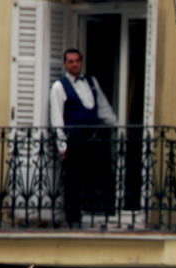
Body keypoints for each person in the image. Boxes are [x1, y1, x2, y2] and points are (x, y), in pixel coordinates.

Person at [50, 48, 117, 227]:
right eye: (70, 61)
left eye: (77, 60)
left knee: (95, 174)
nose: (74, 64)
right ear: (65, 64)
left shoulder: (91, 81)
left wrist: (117, 125)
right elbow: (57, 117)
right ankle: (74, 217)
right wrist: (62, 145)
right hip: (75, 140)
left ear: (81, 62)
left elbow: (102, 107)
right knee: (74, 179)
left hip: (93, 138)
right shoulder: (59, 86)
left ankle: (97, 210)